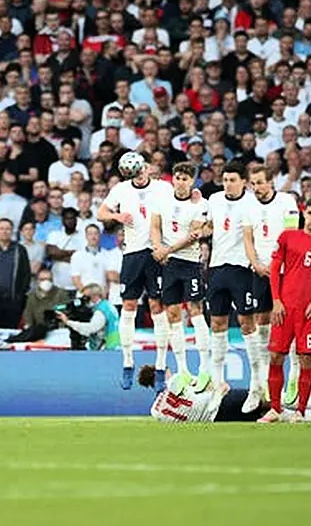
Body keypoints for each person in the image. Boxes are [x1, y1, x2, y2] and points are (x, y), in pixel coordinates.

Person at [96, 151, 173, 390]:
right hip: (132, 254)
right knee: (129, 306)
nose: (139, 174)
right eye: (134, 171)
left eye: (141, 169)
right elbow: (101, 213)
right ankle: (128, 362)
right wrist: (118, 215)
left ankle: (160, 367)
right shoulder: (121, 189)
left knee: (157, 307)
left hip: (156, 251)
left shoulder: (162, 188)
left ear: (148, 167)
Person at [258, 199, 311, 423]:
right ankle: (275, 409)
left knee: (306, 359)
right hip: (285, 307)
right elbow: (275, 269)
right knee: (275, 356)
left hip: (309, 312)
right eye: (310, 212)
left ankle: (300, 411)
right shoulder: (287, 237)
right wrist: (276, 300)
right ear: (304, 213)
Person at [244, 163, 301, 413]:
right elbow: (248, 238)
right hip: (259, 270)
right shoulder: (249, 206)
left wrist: (280, 263)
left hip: (285, 269)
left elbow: (292, 234)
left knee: (289, 320)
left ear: (271, 182)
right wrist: (256, 263)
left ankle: (295, 379)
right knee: (262, 318)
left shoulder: (287, 201)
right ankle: (267, 380)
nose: (257, 188)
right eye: (253, 183)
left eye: (260, 182)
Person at [149, 161, 209, 385]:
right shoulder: (162, 200)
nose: (181, 182)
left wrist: (166, 250)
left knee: (196, 311)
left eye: (186, 179)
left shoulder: (200, 204)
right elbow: (155, 226)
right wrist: (157, 249)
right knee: (173, 315)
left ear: (192, 181)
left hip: (190, 262)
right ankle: (183, 370)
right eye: (178, 177)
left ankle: (204, 368)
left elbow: (193, 235)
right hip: (168, 264)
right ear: (172, 179)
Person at [202, 161, 259, 394]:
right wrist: (200, 232)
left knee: (247, 323)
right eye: (225, 180)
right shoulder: (214, 200)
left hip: (242, 268)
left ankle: (258, 379)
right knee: (217, 322)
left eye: (233, 180)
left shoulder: (252, 202)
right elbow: (210, 226)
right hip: (216, 268)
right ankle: (217, 380)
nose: (228, 184)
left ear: (243, 182)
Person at [139, 366, 270, 423]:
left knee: (259, 416)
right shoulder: (175, 381)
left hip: (217, 419)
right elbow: (208, 384)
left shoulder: (155, 411)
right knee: (262, 401)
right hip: (220, 402)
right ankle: (286, 406)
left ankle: (286, 413)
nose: (169, 371)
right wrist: (220, 388)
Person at [56, 283, 119, 350]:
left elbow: (90, 329)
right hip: (114, 344)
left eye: (86, 297)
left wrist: (68, 322)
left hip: (107, 348)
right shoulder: (107, 305)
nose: (84, 300)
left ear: (94, 296)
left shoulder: (100, 311)